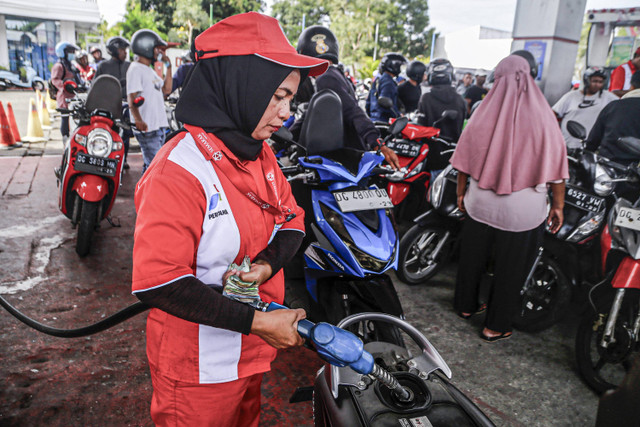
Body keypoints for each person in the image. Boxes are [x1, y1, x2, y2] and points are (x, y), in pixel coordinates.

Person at [132, 12, 328, 425]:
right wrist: (258, 321)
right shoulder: (179, 170)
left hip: (250, 352)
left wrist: (265, 265)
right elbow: (158, 282)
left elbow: (292, 218)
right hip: (197, 370)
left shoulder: (260, 151)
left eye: (290, 99)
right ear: (242, 84)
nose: (286, 113)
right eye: (277, 96)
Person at [450, 54, 568, 342]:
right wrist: (559, 205)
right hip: (523, 212)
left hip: (480, 205)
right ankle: (495, 326)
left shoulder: (482, 112)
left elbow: (464, 159)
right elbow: (557, 171)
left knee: (472, 258)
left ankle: (465, 306)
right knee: (511, 268)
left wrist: (460, 192)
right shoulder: (544, 117)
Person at [292, 26, 399, 169]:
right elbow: (310, 113)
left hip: (343, 159)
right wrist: (282, 141)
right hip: (345, 154)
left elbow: (352, 110)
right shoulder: (335, 75)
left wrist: (376, 142)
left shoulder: (325, 78)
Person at [126, 29, 171, 173]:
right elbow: (131, 96)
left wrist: (168, 66)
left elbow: (167, 90)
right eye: (156, 48)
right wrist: (138, 120)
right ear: (146, 46)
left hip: (158, 127)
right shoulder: (135, 69)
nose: (159, 51)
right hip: (148, 128)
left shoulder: (149, 70)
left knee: (150, 167)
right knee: (156, 170)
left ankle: (142, 194)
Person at [552, 67, 618, 149]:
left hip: (591, 146)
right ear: (586, 80)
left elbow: (621, 108)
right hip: (568, 145)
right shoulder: (571, 96)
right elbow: (552, 114)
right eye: (594, 81)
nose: (597, 84)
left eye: (600, 82)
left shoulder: (608, 97)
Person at [586, 71, 640, 166]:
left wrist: (587, 153)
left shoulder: (613, 106)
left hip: (609, 169)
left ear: (631, 87)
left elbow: (593, 140)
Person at [95, 36, 132, 169]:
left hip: (126, 107)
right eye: (122, 50)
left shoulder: (129, 66)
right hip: (108, 106)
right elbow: (95, 86)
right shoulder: (103, 66)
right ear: (114, 50)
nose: (125, 53)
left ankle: (123, 159)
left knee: (126, 135)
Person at [417, 58, 466, 141]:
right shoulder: (460, 100)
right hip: (453, 149)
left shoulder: (426, 98)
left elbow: (420, 126)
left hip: (431, 148)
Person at [51, 41, 82, 144]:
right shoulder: (59, 66)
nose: (72, 53)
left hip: (74, 97)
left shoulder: (71, 65)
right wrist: (65, 85)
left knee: (76, 119)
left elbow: (77, 78)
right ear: (63, 52)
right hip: (64, 97)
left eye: (73, 51)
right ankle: (65, 139)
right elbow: (55, 80)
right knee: (65, 119)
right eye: (70, 51)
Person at [366, 52, 407, 122]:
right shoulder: (388, 82)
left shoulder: (378, 80)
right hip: (384, 122)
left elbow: (368, 104)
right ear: (394, 65)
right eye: (399, 66)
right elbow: (385, 102)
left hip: (374, 120)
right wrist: (398, 115)